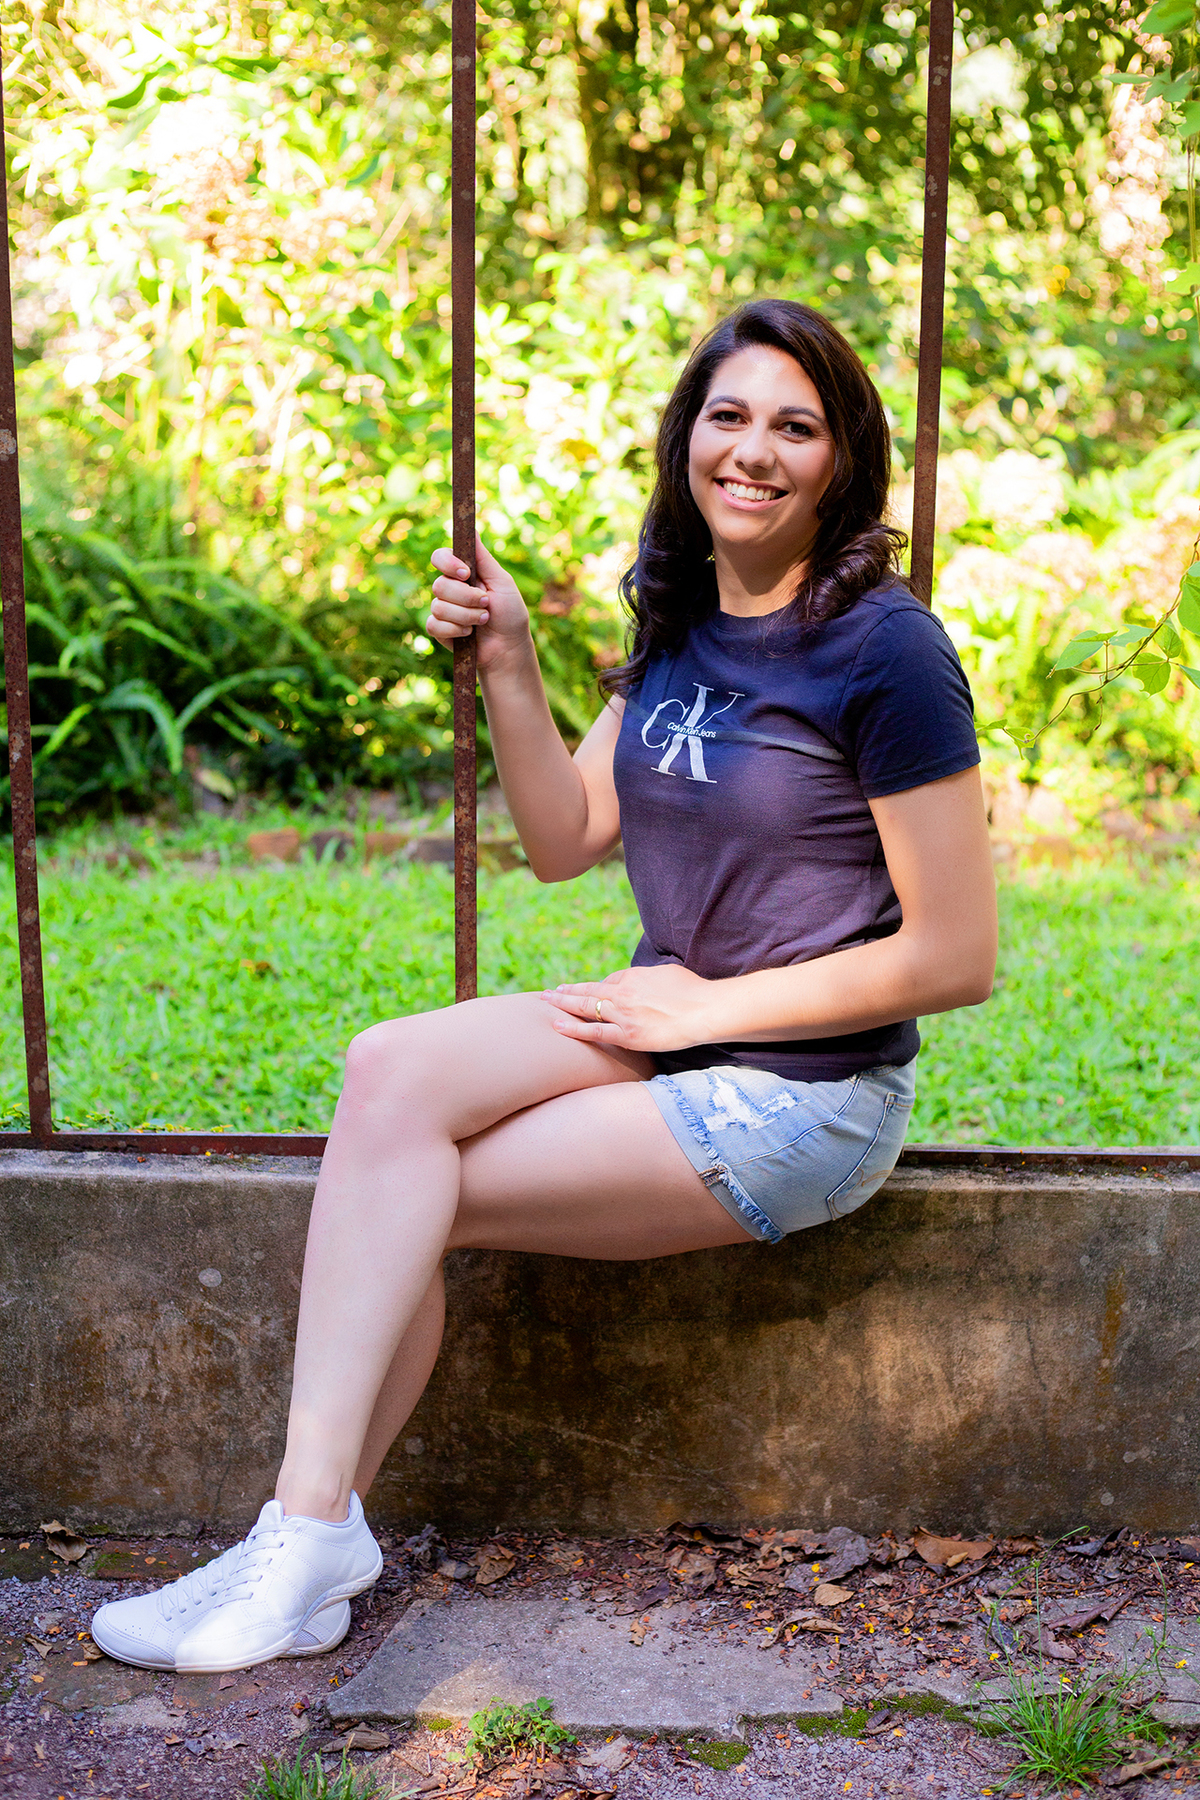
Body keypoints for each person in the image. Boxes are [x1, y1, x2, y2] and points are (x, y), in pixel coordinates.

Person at [92, 298, 996, 1675]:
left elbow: (954, 957)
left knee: (405, 1185)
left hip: (805, 1092)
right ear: (688, 437)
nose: (754, 451)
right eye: (730, 415)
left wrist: (701, 1010)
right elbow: (566, 837)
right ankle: (305, 1531)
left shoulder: (887, 650)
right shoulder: (687, 622)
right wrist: (507, 657)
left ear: (843, 462)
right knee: (389, 1072)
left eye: (796, 427)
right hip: (669, 1032)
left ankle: (305, 1540)